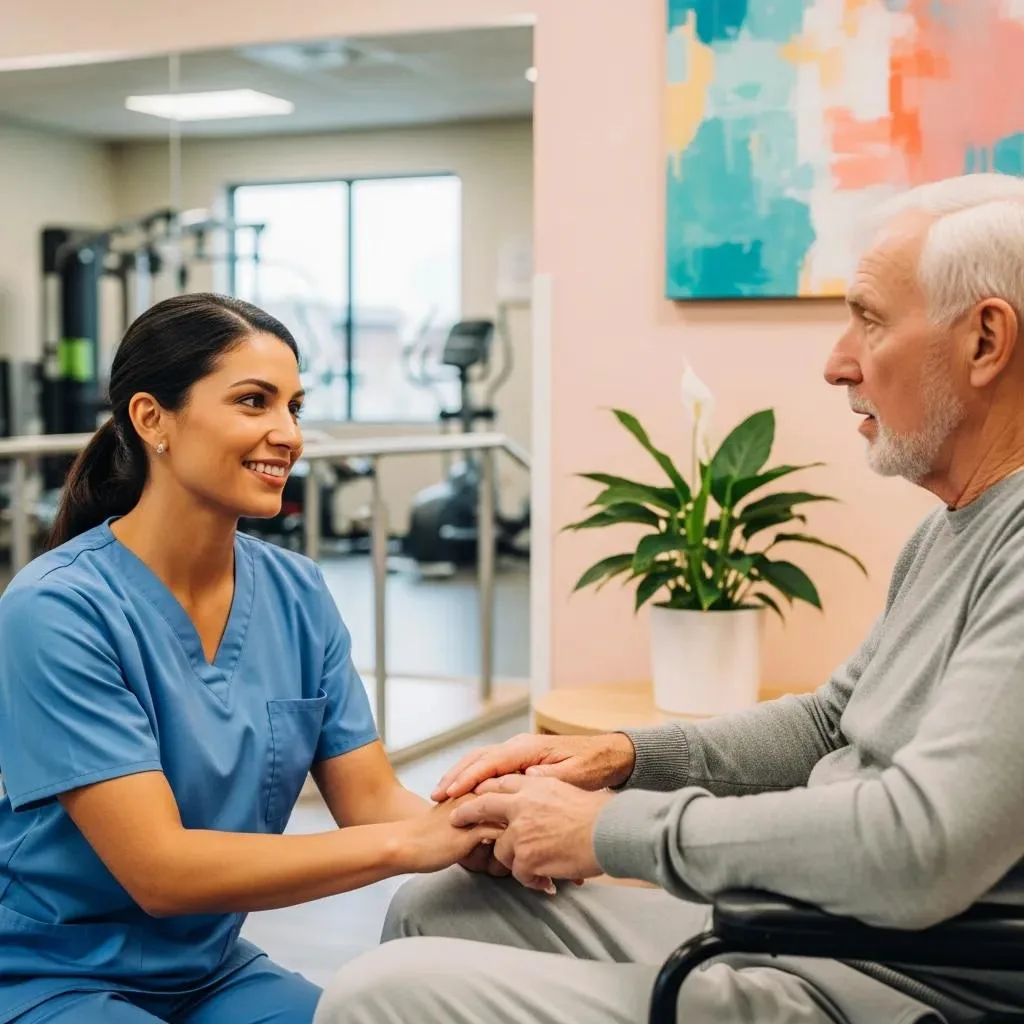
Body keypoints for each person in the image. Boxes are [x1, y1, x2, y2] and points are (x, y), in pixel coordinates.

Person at [314, 173, 1024, 1024]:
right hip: (812, 934)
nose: (838, 360)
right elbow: (832, 724)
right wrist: (622, 756)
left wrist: (608, 829)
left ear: (985, 341)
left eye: (868, 319)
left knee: (372, 995)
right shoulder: (954, 527)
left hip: (898, 984)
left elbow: (920, 847)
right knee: (437, 906)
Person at [0, 293, 505, 1024]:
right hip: (50, 971)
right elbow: (161, 873)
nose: (287, 434)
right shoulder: (56, 607)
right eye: (253, 401)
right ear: (152, 420)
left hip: (208, 969)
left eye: (294, 406)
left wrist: (481, 824)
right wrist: (408, 844)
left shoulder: (296, 592)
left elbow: (369, 802)